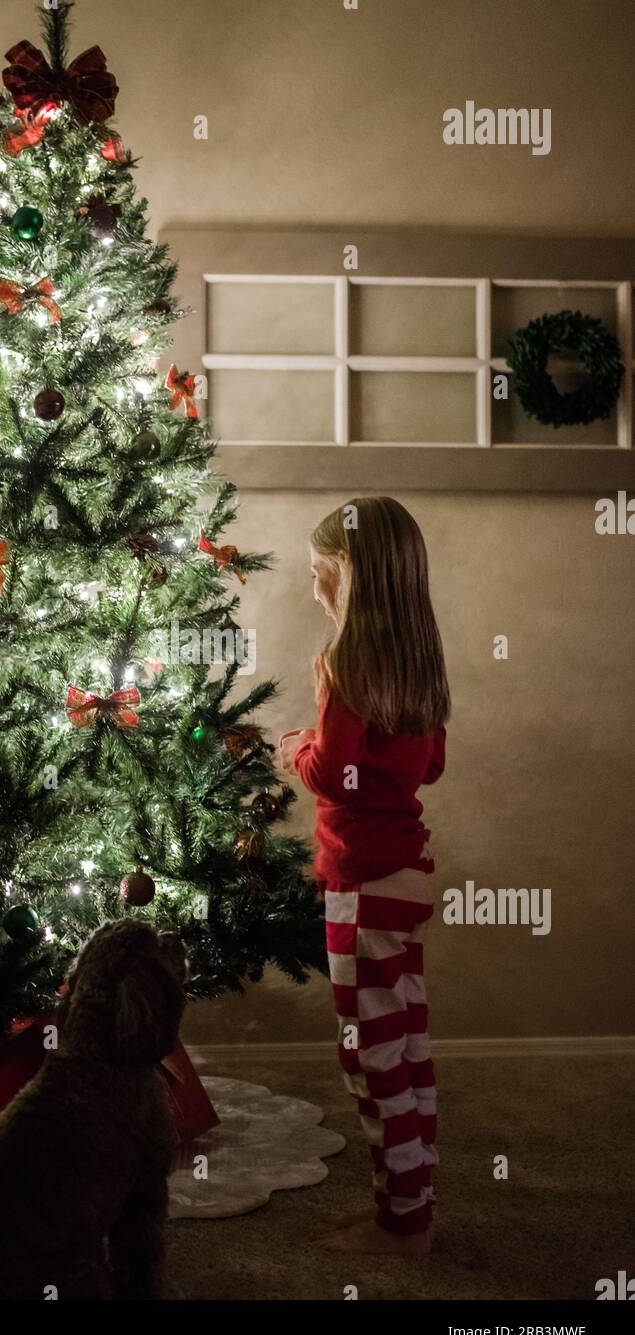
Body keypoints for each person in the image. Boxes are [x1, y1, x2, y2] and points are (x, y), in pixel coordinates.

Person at [278, 497, 450, 1255]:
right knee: (403, 1039)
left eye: (320, 575)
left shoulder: (344, 664)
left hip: (363, 879)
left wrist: (295, 744)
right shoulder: (420, 660)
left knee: (366, 1049)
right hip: (407, 871)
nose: (315, 591)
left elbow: (336, 778)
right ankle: (415, 1196)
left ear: (345, 572)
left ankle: (401, 1221)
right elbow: (430, 766)